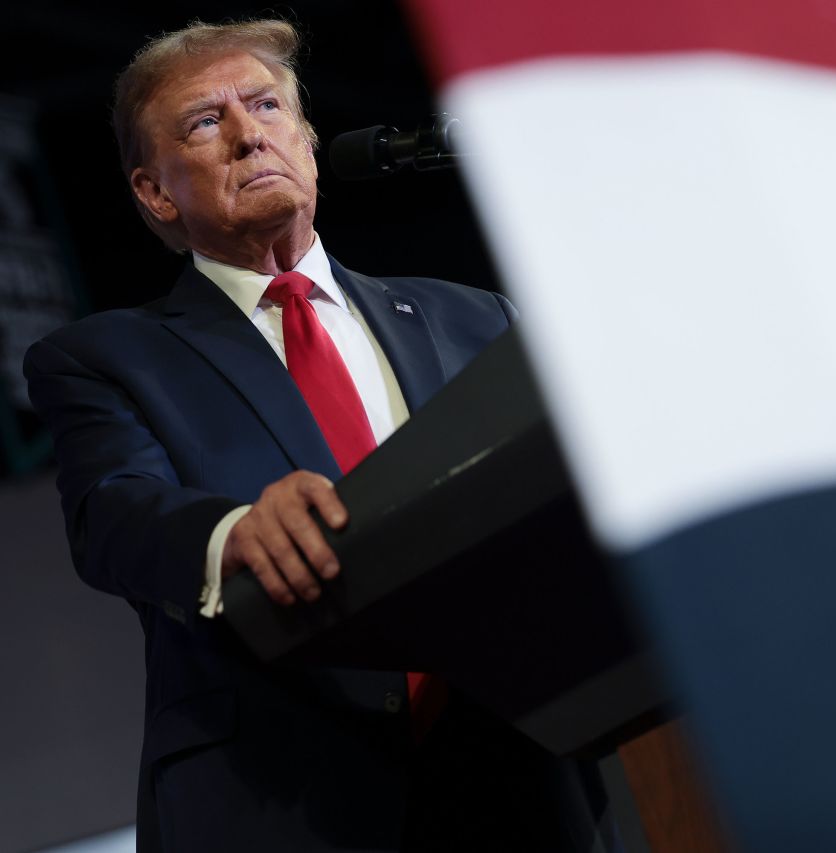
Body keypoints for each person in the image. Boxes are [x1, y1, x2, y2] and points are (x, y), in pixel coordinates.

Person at [25, 18, 612, 852]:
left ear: (304, 137)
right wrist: (232, 532)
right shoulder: (104, 357)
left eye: (266, 105)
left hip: (518, 773)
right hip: (284, 793)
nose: (246, 133)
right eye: (204, 121)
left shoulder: (472, 315)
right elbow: (114, 513)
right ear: (155, 192)